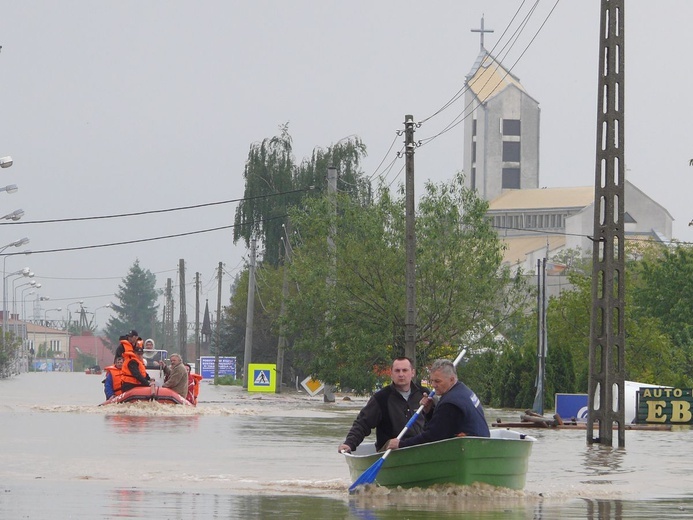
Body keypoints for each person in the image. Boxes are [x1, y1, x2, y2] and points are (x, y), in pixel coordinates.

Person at [385, 358, 489, 451]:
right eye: (432, 381)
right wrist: (429, 411)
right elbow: (444, 426)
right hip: (482, 444)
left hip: (468, 449)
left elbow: (432, 437)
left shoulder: (449, 403)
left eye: (438, 381)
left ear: (451, 379)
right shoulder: (464, 390)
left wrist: (401, 444)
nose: (434, 385)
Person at [338, 357, 431, 453]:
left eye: (405, 370)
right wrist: (349, 443)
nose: (401, 374)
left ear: (412, 373)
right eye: (397, 371)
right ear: (391, 373)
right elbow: (363, 423)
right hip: (390, 452)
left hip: (420, 447)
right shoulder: (381, 397)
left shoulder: (424, 394)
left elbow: (436, 420)